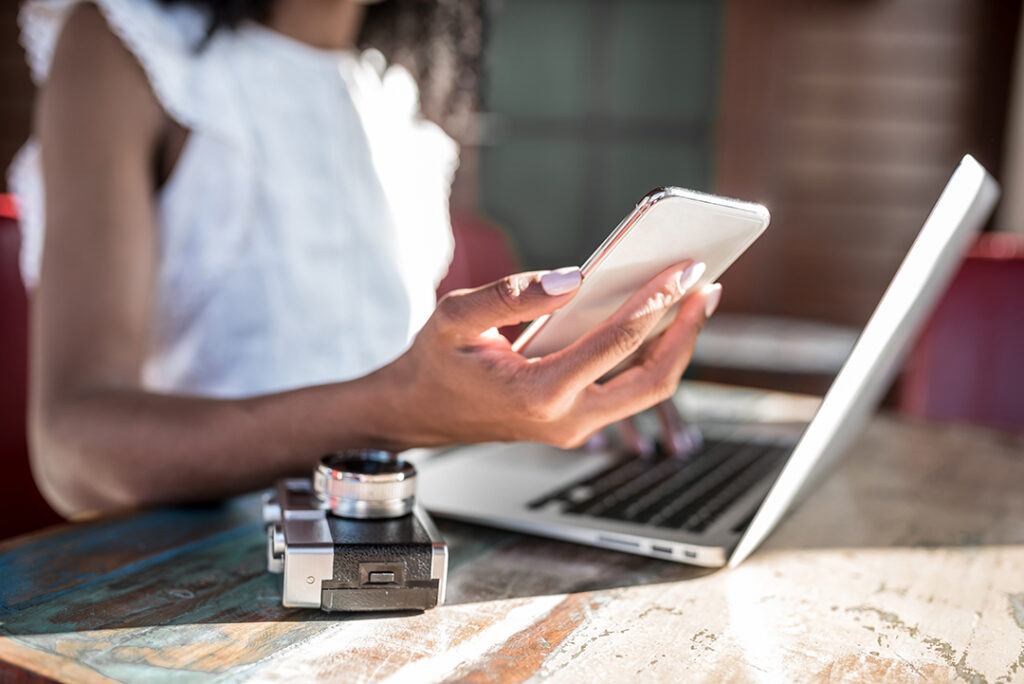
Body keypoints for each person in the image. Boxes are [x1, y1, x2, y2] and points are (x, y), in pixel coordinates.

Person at [10, 0, 722, 519]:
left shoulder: (397, 88)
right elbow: (73, 450)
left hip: (397, 530)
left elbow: (407, 366)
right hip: (196, 580)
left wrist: (563, 380)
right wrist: (399, 411)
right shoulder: (129, 45)